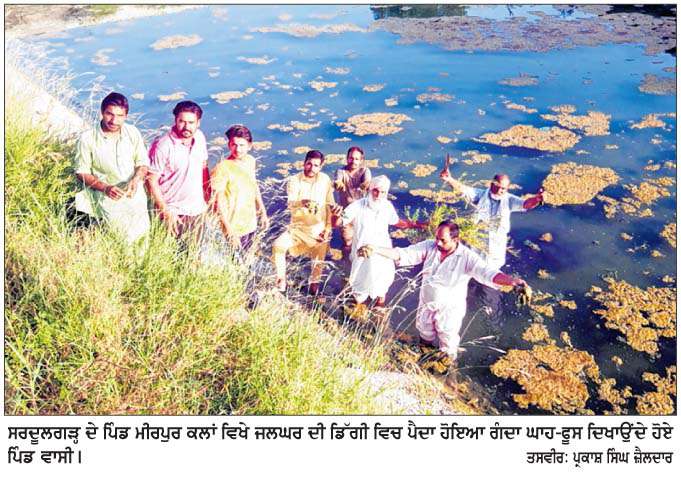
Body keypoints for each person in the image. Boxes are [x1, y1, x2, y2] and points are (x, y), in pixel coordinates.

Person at [357, 220, 528, 362]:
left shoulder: (467, 257)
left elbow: (488, 273)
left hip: (449, 310)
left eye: (443, 240)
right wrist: (376, 249)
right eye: (437, 238)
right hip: (426, 303)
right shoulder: (430, 247)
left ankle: (447, 375)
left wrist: (513, 281)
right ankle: (423, 361)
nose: (438, 243)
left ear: (456, 239)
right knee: (424, 335)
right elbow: (403, 254)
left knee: (448, 346)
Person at [441, 171, 543, 323]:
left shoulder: (509, 200)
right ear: (491, 184)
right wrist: (449, 179)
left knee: (491, 293)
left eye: (504, 188)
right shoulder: (480, 195)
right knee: (467, 290)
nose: (501, 190)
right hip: (474, 254)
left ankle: (493, 321)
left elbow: (525, 204)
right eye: (499, 187)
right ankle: (467, 315)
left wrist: (537, 199)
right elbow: (462, 189)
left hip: (493, 258)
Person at [74, 92, 150, 243]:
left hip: (135, 197)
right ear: (102, 112)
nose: (114, 120)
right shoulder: (87, 138)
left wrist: (136, 179)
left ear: (126, 116)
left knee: (142, 239)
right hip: (108, 199)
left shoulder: (133, 133)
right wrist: (106, 188)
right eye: (109, 114)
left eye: (120, 115)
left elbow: (142, 163)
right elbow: (81, 172)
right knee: (121, 240)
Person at [341, 175, 425, 307]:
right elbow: (340, 221)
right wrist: (335, 216)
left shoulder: (387, 206)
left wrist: (418, 225)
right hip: (363, 254)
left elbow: (396, 222)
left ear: (386, 193)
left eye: (383, 192)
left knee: (382, 285)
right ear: (369, 189)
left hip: (383, 253)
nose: (378, 195)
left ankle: (379, 311)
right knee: (359, 285)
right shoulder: (357, 206)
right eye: (375, 190)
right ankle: (357, 311)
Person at [272, 150, 341, 294]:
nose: (311, 168)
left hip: (318, 230)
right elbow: (290, 203)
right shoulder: (294, 180)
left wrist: (328, 228)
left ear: (320, 167)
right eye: (309, 164)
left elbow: (330, 204)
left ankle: (313, 290)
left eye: (316, 165)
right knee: (278, 246)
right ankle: (281, 280)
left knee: (317, 266)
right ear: (304, 163)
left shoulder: (325, 180)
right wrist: (302, 202)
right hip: (297, 229)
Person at [146, 100, 208, 240]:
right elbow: (151, 181)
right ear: (175, 120)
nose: (186, 127)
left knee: (194, 251)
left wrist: (207, 198)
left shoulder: (200, 137)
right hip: (172, 212)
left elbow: (203, 166)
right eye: (182, 121)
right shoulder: (163, 145)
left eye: (191, 122)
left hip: (197, 210)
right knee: (171, 251)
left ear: (198, 123)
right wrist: (165, 211)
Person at [209, 124, 269, 250]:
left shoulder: (250, 161)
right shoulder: (222, 168)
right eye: (234, 145)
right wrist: (229, 230)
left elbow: (254, 186)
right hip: (233, 226)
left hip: (250, 222)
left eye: (242, 145)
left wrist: (262, 211)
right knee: (234, 259)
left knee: (249, 256)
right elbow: (217, 203)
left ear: (249, 146)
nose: (238, 149)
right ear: (229, 145)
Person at [333, 146, 372, 257]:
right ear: (347, 158)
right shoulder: (341, 171)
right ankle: (346, 262)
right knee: (347, 242)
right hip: (346, 213)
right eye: (351, 158)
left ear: (361, 160)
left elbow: (367, 181)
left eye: (356, 159)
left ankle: (361, 262)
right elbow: (338, 181)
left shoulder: (365, 171)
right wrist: (338, 184)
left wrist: (365, 185)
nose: (353, 161)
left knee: (364, 242)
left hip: (362, 212)